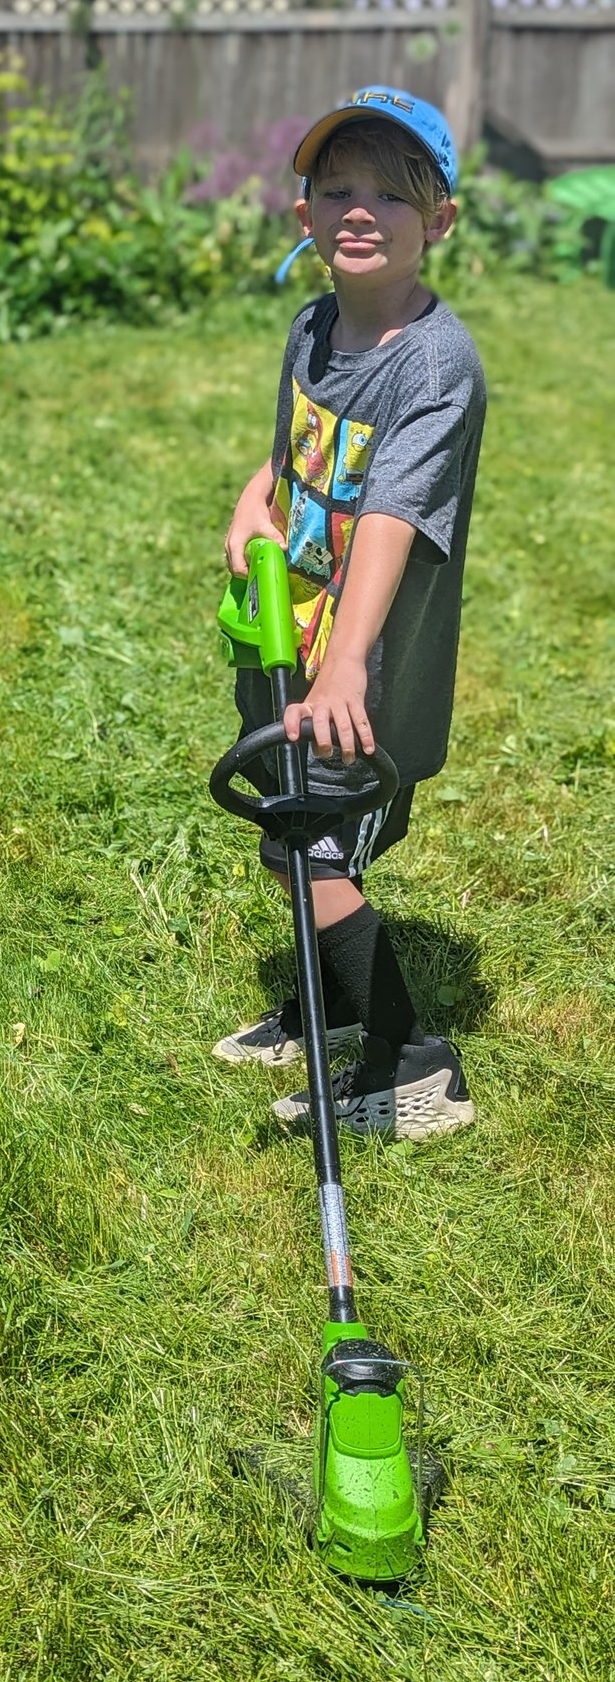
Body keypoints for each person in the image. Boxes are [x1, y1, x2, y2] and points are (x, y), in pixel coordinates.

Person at [215, 86, 484, 1141]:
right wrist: (257, 497)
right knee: (299, 830)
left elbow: (392, 521)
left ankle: (413, 1064)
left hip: (359, 677)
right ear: (305, 219)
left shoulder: (434, 366)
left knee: (310, 849)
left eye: (392, 193)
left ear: (441, 221)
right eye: (337, 190)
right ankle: (327, 1002)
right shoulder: (314, 324)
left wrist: (346, 668)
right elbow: (295, 454)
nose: (360, 210)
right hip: (293, 641)